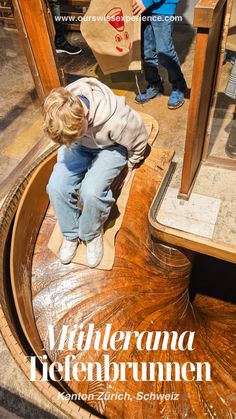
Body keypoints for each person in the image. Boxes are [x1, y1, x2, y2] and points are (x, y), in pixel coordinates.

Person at [43, 78, 148, 267]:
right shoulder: (64, 107)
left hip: (111, 147)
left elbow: (139, 138)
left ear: (86, 114)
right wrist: (72, 144)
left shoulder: (117, 118)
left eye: (76, 132)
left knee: (91, 191)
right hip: (80, 146)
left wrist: (130, 165)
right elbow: (67, 139)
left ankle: (91, 234)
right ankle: (70, 233)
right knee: (56, 185)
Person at [132, 0, 187, 109]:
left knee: (165, 53)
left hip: (163, 7)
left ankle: (179, 86)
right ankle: (154, 85)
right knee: (147, 51)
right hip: (142, 8)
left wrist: (147, 1)